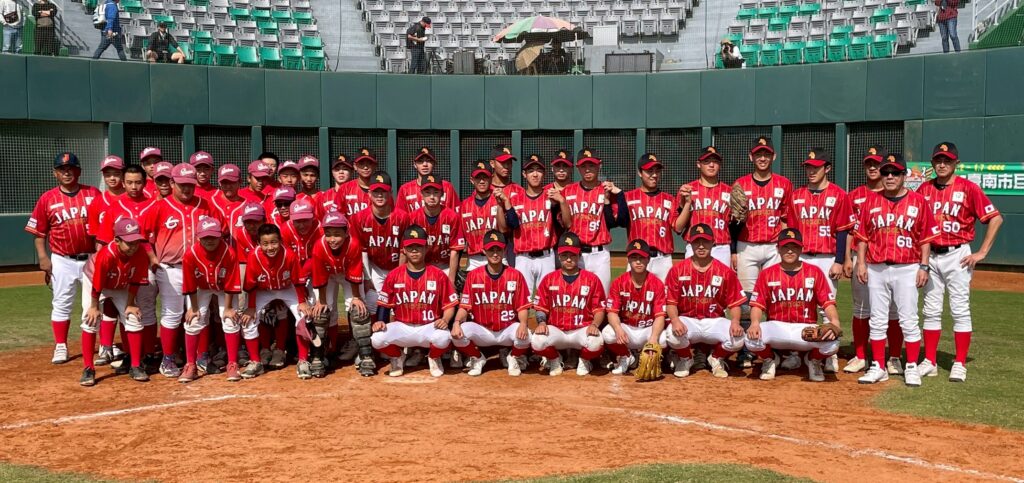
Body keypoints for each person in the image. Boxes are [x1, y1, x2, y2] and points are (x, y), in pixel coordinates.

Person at [917, 142, 1002, 382]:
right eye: (938, 160)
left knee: (959, 309)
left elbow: (995, 218)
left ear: (956, 163)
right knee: (930, 310)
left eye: (947, 160)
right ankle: (930, 361)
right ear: (932, 163)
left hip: (958, 255)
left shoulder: (968, 188)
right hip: (931, 255)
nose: (942, 164)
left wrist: (982, 252)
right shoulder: (924, 189)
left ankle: (960, 362)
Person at [854, 153, 940, 386]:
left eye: (895, 173)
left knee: (908, 319)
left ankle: (911, 366)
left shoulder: (918, 201)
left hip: (907, 267)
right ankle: (878, 366)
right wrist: (861, 263)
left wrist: (924, 266)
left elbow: (925, 239)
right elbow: (862, 237)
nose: (889, 177)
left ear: (904, 176)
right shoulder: (871, 201)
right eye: (886, 173)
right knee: (877, 320)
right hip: (876, 267)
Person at [138, 163, 225, 378]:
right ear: (171, 183)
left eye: (190, 185)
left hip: (200, 268)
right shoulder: (159, 207)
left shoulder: (206, 205)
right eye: (182, 184)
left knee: (201, 313)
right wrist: (152, 258)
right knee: (172, 313)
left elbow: (220, 230)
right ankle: (168, 359)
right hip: (171, 269)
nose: (186, 188)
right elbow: (142, 236)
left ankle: (202, 356)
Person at [784, 148, 856, 373]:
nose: (811, 171)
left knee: (827, 307)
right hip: (801, 256)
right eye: (808, 167)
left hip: (827, 257)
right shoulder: (796, 195)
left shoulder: (839, 194)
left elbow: (843, 230)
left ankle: (828, 353)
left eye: (816, 167)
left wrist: (839, 260)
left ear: (827, 168)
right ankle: (796, 353)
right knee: (799, 306)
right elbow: (791, 230)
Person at [25, 153, 102, 365]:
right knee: (61, 303)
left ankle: (104, 345)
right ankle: (61, 345)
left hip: (91, 258)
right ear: (55, 173)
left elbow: (104, 224)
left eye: (71, 169)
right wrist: (43, 257)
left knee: (96, 303)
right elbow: (39, 233)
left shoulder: (92, 193)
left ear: (79, 171)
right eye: (62, 169)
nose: (67, 173)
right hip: (62, 259)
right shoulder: (47, 198)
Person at [745, 228, 843, 382]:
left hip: (805, 329)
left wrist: (835, 321)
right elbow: (757, 305)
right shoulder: (767, 273)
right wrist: (755, 323)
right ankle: (770, 359)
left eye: (794, 247)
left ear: (801, 248)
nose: (790, 251)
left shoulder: (814, 272)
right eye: (785, 247)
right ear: (778, 248)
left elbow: (827, 303)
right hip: (777, 327)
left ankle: (813, 360)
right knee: (750, 339)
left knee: (833, 343)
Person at [371, 224, 459, 377]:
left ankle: (433, 357)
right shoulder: (394, 275)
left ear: (426, 248)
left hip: (429, 326)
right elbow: (384, 304)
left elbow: (449, 305)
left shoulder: (438, 275)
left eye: (418, 246)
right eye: (410, 247)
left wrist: (445, 319)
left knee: (444, 337)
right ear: (404, 250)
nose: (414, 250)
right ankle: (397, 356)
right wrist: (380, 321)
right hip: (402, 326)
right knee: (377, 339)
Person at [843, 146, 900, 374]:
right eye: (869, 163)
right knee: (861, 307)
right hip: (862, 258)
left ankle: (894, 356)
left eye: (877, 164)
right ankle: (860, 355)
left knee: (893, 309)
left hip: (890, 258)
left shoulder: (894, 193)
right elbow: (849, 230)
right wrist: (847, 258)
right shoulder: (854, 195)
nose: (873, 167)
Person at [664, 224, 747, 378]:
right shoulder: (677, 270)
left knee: (738, 338)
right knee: (671, 335)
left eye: (705, 242)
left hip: (714, 321)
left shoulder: (725, 271)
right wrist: (675, 320)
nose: (701, 246)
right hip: (688, 321)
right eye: (697, 242)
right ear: (690, 243)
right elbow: (671, 303)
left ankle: (716, 357)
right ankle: (686, 358)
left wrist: (735, 322)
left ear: (713, 243)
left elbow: (735, 303)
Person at [450, 230, 532, 376]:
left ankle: (513, 357)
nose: (495, 254)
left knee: (528, 336)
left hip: (507, 329)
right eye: (491, 250)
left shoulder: (515, 275)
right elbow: (465, 307)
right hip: (483, 330)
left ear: (504, 250)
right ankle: (477, 358)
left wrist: (524, 324)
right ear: (484, 251)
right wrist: (456, 322)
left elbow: (522, 307)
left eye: (498, 249)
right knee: (457, 334)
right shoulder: (474, 276)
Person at [79, 218, 150, 386]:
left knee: (133, 318)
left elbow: (136, 280)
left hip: (121, 285)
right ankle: (88, 368)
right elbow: (97, 283)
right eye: (129, 242)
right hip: (95, 283)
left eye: (136, 241)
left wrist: (131, 304)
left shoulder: (140, 253)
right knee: (90, 320)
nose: (134, 246)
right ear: (117, 240)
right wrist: (94, 307)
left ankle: (135, 365)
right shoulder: (106, 255)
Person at [241, 224, 313, 379]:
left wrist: (302, 301)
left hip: (287, 288)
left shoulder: (289, 255)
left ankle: (303, 360)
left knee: (303, 316)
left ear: (280, 241)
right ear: (259, 244)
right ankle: (255, 362)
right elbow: (251, 285)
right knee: (248, 320)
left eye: (274, 242)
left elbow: (298, 281)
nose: (270, 247)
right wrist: (251, 307)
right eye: (265, 244)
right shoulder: (253, 256)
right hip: (263, 290)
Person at [531, 232, 607, 376]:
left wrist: (595, 324)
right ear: (559, 256)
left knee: (596, 342)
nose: (568, 259)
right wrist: (541, 322)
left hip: (581, 330)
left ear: (579, 255)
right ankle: (554, 359)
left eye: (572, 255)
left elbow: (599, 309)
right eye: (565, 255)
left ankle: (584, 360)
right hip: (557, 330)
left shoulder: (592, 279)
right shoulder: (549, 279)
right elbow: (541, 307)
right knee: (537, 341)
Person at [309, 212, 370, 377]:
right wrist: (321, 301)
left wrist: (356, 298)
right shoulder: (319, 246)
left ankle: (365, 355)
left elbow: (355, 272)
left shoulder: (353, 244)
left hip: (346, 274)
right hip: (328, 275)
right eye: (328, 234)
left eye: (337, 234)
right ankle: (318, 356)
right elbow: (319, 275)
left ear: (346, 232)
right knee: (320, 313)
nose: (332, 239)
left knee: (359, 310)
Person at [181, 218, 242, 383]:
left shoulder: (229, 252)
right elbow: (189, 284)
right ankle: (191, 364)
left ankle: (232, 363)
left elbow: (231, 283)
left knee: (230, 319)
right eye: (205, 237)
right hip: (201, 288)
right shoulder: (190, 254)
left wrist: (228, 308)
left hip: (223, 288)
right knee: (193, 320)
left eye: (213, 237)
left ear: (220, 236)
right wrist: (194, 308)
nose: (210, 240)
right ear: (198, 237)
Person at [348, 171, 410, 317]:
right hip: (374, 267)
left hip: (397, 266)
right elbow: (361, 251)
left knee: (399, 305)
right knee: (372, 303)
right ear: (369, 194)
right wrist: (367, 278)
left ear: (391, 193)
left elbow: (404, 249)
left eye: (384, 191)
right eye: (376, 192)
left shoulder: (402, 217)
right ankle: (373, 332)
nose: (380, 195)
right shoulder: (359, 218)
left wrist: (399, 274)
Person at [602, 239, 667, 376]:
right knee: (608, 333)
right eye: (634, 258)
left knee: (664, 339)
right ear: (628, 260)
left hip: (648, 329)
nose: (638, 262)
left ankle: (655, 360)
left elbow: (660, 316)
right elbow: (612, 312)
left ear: (648, 260)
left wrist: (653, 338)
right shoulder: (619, 283)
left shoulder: (657, 284)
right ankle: (626, 356)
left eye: (642, 258)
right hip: (628, 330)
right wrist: (618, 329)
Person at [555, 147, 616, 291]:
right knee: (576, 295)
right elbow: (564, 223)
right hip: (576, 253)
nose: (587, 170)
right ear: (578, 168)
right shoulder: (568, 191)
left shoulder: (607, 189)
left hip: (600, 253)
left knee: (602, 295)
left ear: (599, 165)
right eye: (583, 166)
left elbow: (614, 221)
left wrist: (610, 198)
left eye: (591, 165)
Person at [614, 153, 677, 281]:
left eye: (657, 171)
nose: (654, 175)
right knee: (633, 294)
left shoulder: (669, 199)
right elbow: (618, 220)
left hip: (663, 259)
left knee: (665, 294)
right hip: (637, 258)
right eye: (649, 171)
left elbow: (678, 227)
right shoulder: (628, 197)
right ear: (640, 173)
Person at [674, 146, 734, 267]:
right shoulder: (687, 190)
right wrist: (686, 202)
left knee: (722, 280)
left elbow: (734, 226)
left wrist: (734, 251)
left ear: (720, 165)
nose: (711, 165)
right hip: (694, 246)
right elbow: (678, 228)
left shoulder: (729, 191)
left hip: (721, 247)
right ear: (698, 164)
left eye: (715, 161)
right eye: (707, 161)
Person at [510, 154, 558, 300]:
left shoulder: (551, 196)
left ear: (544, 173)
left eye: (539, 170)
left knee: (547, 299)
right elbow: (507, 227)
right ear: (524, 174)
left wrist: (560, 202)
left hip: (546, 256)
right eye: (531, 171)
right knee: (521, 299)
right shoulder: (515, 199)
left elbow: (566, 223)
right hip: (523, 257)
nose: (535, 174)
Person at [409, 174, 464, 283]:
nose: (432, 197)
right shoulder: (413, 218)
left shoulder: (452, 217)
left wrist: (451, 280)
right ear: (421, 194)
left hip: (446, 266)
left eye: (435, 192)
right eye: (427, 192)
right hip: (422, 266)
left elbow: (455, 250)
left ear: (442, 194)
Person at [459, 161, 505, 271]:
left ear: (491, 178)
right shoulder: (464, 205)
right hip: (474, 260)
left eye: (485, 177)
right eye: (478, 178)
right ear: (472, 180)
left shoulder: (500, 200)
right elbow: (461, 238)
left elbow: (505, 230)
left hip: (498, 256)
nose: (482, 181)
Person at [396, 147, 460, 213]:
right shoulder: (405, 189)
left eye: (429, 161)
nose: (425, 164)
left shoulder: (447, 187)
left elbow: (456, 213)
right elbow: (400, 216)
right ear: (415, 164)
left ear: (434, 163)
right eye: (420, 161)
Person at [332, 148, 377, 217]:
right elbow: (335, 216)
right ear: (355, 166)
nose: (365, 167)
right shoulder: (345, 189)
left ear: (375, 166)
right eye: (361, 163)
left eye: (369, 163)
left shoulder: (382, 190)